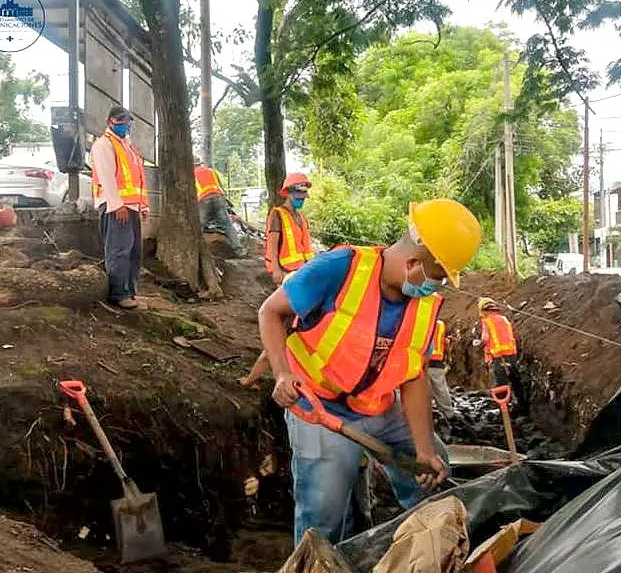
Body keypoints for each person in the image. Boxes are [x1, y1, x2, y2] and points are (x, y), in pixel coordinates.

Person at [258, 198, 482, 545]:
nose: (434, 288)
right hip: (318, 405)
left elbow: (413, 375)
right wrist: (282, 374)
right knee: (323, 512)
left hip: (377, 406)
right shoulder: (339, 268)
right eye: (437, 278)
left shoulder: (424, 306)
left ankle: (419, 551)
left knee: (435, 470)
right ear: (414, 263)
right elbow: (270, 312)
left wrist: (423, 448)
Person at [239, 173, 314, 389]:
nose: (302, 197)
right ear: (288, 193)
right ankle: (252, 379)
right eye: (299, 193)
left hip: (303, 278)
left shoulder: (301, 219)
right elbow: (271, 244)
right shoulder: (277, 214)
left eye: (304, 193)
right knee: (282, 330)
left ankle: (253, 379)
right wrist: (275, 270)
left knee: (288, 330)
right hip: (288, 279)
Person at [90, 106, 149, 310]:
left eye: (127, 121)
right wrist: (116, 205)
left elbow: (138, 179)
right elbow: (106, 177)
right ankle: (118, 293)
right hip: (115, 206)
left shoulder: (129, 147)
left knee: (134, 251)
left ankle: (130, 291)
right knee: (119, 250)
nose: (124, 125)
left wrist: (143, 205)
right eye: (120, 121)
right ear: (110, 121)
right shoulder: (104, 145)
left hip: (131, 207)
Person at [195, 159, 246, 256]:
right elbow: (221, 187)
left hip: (204, 199)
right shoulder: (212, 171)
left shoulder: (191, 174)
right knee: (227, 225)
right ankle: (239, 250)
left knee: (199, 226)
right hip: (219, 198)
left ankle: (195, 250)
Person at [477, 297, 520, 392]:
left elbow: (485, 339)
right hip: (512, 355)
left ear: (484, 310)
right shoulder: (504, 319)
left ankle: (504, 405)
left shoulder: (487, 321)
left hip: (498, 357)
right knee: (515, 381)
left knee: (501, 384)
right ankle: (521, 404)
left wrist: (479, 346)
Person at [427, 317, 454, 421]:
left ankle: (425, 416)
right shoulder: (441, 324)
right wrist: (448, 358)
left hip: (421, 361)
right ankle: (448, 414)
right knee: (441, 389)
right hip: (437, 361)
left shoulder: (421, 321)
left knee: (421, 390)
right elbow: (446, 342)